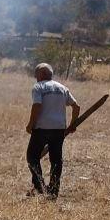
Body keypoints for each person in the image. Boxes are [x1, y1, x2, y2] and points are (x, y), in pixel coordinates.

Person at [25, 62, 80, 200]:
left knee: (32, 157)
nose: (35, 76)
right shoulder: (62, 88)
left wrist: (30, 124)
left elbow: (37, 105)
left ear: (41, 74)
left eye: (36, 73)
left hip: (41, 129)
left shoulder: (39, 87)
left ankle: (40, 187)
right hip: (59, 130)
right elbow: (76, 106)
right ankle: (54, 191)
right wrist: (72, 125)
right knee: (56, 160)